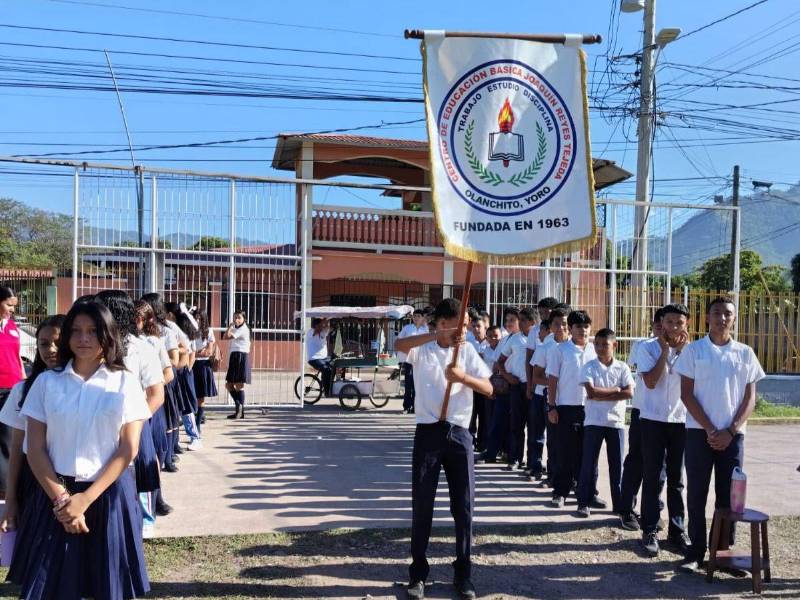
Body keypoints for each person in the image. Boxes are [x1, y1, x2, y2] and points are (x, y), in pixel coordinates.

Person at [9, 301, 151, 600]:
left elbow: (129, 448)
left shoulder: (125, 383)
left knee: (109, 587)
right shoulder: (47, 383)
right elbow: (34, 448)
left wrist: (85, 499)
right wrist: (64, 502)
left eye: (92, 331)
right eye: (76, 331)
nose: (83, 338)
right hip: (55, 496)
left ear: (108, 335)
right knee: (50, 586)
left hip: (109, 494)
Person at [395, 298, 493, 600]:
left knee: (463, 508)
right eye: (457, 326)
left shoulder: (466, 351)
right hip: (428, 433)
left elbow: (489, 389)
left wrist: (463, 377)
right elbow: (400, 345)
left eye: (465, 327)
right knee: (422, 505)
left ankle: (463, 574)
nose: (463, 332)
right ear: (440, 324)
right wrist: (436, 336)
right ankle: (418, 574)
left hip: (459, 435)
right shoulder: (423, 349)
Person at [675, 296, 765, 574]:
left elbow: (750, 398)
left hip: (733, 436)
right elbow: (686, 395)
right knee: (697, 493)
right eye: (716, 313)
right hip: (698, 433)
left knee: (729, 497)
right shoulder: (694, 351)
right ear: (707, 318)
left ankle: (722, 554)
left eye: (728, 313)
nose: (722, 318)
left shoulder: (745, 353)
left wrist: (730, 430)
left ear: (734, 318)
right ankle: (695, 552)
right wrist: (712, 430)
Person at [95, 290, 166, 538]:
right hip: (99, 424)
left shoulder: (140, 349)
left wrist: (136, 419)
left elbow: (157, 393)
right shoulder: (93, 347)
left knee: (140, 472)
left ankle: (145, 518)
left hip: (133, 424)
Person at [0, 315, 64, 537]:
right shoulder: (22, 390)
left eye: (58, 342)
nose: (51, 349)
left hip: (72, 480)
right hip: (34, 483)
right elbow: (16, 448)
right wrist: (10, 501)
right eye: (44, 344)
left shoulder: (89, 388)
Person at [637, 304, 691, 557]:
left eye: (679, 323)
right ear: (661, 324)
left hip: (681, 421)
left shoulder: (692, 352)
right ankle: (649, 529)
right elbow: (650, 381)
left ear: (686, 325)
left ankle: (677, 530)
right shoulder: (647, 348)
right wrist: (665, 351)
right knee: (652, 477)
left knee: (677, 479)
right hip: (652, 419)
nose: (674, 327)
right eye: (669, 322)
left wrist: (680, 353)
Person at [575, 328, 633, 518]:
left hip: (615, 422)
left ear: (614, 345)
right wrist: (615, 390)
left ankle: (619, 504)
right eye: (597, 344)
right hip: (593, 421)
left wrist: (603, 394)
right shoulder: (589, 366)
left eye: (605, 344)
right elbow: (591, 393)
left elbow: (629, 393)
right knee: (588, 463)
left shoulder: (622, 367)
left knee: (617, 465)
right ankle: (583, 502)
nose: (600, 348)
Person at [619, 308, 666, 531]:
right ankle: (627, 508)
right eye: (659, 324)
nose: (662, 328)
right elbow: (646, 377)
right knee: (636, 461)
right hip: (642, 412)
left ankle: (653, 508)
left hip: (666, 417)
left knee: (660, 467)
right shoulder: (642, 346)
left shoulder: (682, 348)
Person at [547, 310, 599, 508]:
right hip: (566, 407)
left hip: (592, 408)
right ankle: (560, 492)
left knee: (589, 454)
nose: (583, 330)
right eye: (578, 326)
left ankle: (589, 493)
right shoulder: (560, 350)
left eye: (586, 326)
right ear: (571, 329)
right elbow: (552, 379)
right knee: (565, 452)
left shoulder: (595, 350)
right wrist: (551, 407)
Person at [134, 299, 175, 519]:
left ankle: (156, 498)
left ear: (149, 318)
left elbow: (169, 372)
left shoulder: (154, 342)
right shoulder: (124, 342)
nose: (135, 321)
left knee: (153, 453)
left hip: (150, 404)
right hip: (131, 408)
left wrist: (153, 386)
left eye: (139, 317)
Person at [531, 308, 570, 486]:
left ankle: (574, 480)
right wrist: (555, 382)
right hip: (550, 397)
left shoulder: (577, 345)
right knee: (553, 440)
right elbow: (537, 377)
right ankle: (553, 475)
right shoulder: (545, 347)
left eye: (564, 323)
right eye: (556, 324)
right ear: (551, 326)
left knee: (573, 442)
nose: (561, 327)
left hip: (574, 400)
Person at [480, 307, 521, 464]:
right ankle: (491, 452)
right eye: (507, 320)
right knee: (497, 420)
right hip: (503, 384)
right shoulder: (506, 338)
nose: (509, 323)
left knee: (513, 423)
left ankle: (511, 454)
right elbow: (497, 362)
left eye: (513, 320)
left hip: (515, 384)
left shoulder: (523, 339)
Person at [498, 307, 534, 471]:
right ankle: (515, 458)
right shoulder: (514, 339)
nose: (520, 322)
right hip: (517, 385)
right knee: (516, 424)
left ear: (532, 322)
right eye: (518, 319)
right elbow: (500, 361)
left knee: (534, 427)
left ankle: (534, 463)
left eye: (523, 320)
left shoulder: (540, 339)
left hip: (535, 387)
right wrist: (507, 376)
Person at [0, 286, 25, 494]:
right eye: (9, 305)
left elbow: (17, 356)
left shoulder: (12, 325)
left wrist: (24, 379)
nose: (12, 309)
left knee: (9, 438)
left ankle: (6, 486)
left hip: (12, 386)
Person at [397, 309, 429, 414]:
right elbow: (399, 340)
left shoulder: (426, 330)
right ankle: (406, 406)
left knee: (418, 385)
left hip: (421, 361)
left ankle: (416, 407)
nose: (416, 318)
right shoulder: (407, 328)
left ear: (422, 318)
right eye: (414, 316)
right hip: (409, 360)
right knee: (408, 383)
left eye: (418, 316)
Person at [192, 308, 218, 429]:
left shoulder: (209, 331)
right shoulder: (189, 331)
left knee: (201, 397)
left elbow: (208, 352)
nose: (196, 320)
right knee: (191, 394)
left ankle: (197, 424)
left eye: (199, 318)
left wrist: (195, 352)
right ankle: (195, 417)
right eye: (195, 318)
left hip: (203, 366)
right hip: (192, 364)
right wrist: (197, 352)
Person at [224, 309, 251, 419]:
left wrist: (229, 327)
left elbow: (227, 336)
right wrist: (230, 328)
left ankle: (240, 411)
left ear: (244, 319)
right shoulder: (236, 328)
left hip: (241, 355)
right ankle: (239, 407)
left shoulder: (244, 329)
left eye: (239, 317)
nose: (236, 320)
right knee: (228, 384)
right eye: (235, 317)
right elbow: (225, 336)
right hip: (234, 355)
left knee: (239, 385)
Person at [468, 314, 489, 451]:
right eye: (474, 326)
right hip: (470, 384)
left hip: (485, 383)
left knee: (484, 414)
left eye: (479, 326)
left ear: (485, 327)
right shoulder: (468, 342)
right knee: (470, 414)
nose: (476, 329)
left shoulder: (491, 342)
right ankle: (469, 440)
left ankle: (482, 443)